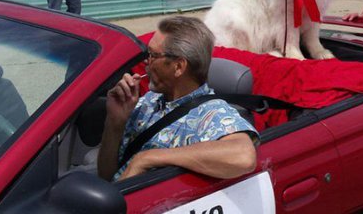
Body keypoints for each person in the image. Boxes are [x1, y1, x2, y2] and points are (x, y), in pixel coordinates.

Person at [97, 16, 258, 182]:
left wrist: (148, 158)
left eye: (153, 55)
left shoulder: (211, 114)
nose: (147, 60)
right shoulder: (149, 101)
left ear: (178, 67)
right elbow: (107, 175)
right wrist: (115, 121)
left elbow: (244, 156)